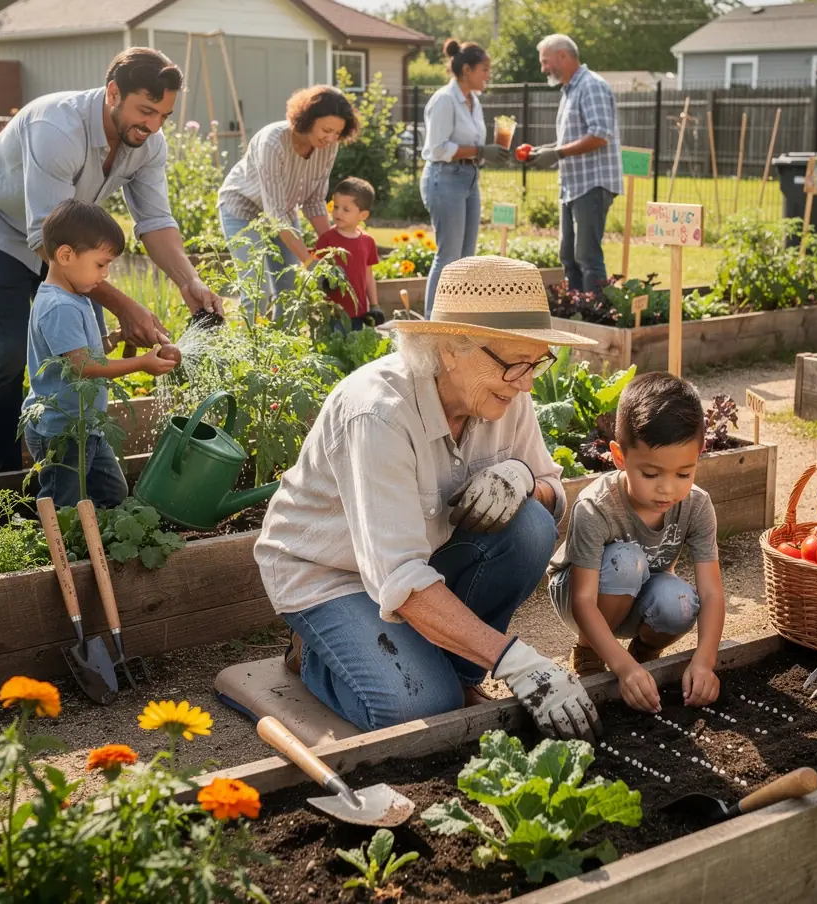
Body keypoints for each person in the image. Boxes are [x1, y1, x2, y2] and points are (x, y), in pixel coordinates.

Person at [255, 255, 602, 740]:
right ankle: (312, 654)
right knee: (418, 705)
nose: (527, 382)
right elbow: (399, 576)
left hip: (422, 563)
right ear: (450, 350)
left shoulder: (505, 394)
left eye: (537, 361)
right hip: (330, 573)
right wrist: (515, 661)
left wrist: (522, 475)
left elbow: (552, 495)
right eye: (513, 363)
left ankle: (455, 674)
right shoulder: (378, 415)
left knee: (531, 528)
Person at [0, 47, 222, 473]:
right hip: (6, 235)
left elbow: (155, 221)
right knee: (6, 354)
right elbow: (45, 239)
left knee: (88, 355)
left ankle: (76, 469)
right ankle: (6, 476)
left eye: (163, 116)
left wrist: (188, 281)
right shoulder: (56, 128)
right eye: (146, 110)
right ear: (113, 92)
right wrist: (124, 304)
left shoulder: (148, 144)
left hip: (69, 249)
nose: (154, 125)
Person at [548, 372, 725, 712]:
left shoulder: (697, 505)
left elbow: (712, 593)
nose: (668, 489)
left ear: (699, 455)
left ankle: (644, 653)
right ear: (619, 456)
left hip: (640, 590)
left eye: (683, 474)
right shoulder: (595, 507)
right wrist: (622, 669)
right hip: (579, 595)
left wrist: (705, 662)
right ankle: (590, 650)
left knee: (683, 602)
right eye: (651, 474)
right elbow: (584, 600)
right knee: (626, 561)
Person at [21, 201, 178, 507]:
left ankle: (94, 545)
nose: (105, 275)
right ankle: (59, 550)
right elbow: (83, 366)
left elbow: (81, 352)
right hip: (63, 431)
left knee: (112, 493)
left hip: (86, 425)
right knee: (62, 503)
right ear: (66, 255)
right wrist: (142, 364)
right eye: (101, 264)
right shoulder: (60, 306)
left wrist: (115, 338)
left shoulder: (74, 296)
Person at [218, 86, 359, 318]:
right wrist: (310, 262)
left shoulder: (328, 147)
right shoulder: (272, 142)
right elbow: (275, 216)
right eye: (326, 130)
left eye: (338, 133)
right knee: (256, 291)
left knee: (289, 291)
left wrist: (333, 247)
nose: (332, 138)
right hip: (242, 210)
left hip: (283, 210)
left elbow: (314, 201)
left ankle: (282, 351)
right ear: (307, 119)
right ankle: (247, 351)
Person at [420, 39, 509, 317]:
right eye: (484, 69)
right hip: (444, 178)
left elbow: (473, 144)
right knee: (448, 256)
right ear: (467, 70)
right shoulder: (445, 100)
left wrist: (490, 151)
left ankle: (457, 318)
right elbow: (437, 149)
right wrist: (482, 150)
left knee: (466, 258)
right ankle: (434, 324)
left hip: (469, 177)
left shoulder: (474, 101)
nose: (488, 75)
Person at [527, 34, 622, 293]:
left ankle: (596, 316)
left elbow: (600, 135)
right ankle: (576, 314)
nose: (543, 68)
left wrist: (557, 154)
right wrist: (544, 151)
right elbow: (572, 138)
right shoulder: (570, 89)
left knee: (587, 257)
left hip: (592, 184)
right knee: (568, 257)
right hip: (572, 186)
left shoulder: (591, 85)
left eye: (546, 61)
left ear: (563, 55)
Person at [315, 177, 383, 331]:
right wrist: (321, 282)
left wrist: (374, 306)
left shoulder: (368, 241)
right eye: (336, 207)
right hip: (332, 311)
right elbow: (315, 270)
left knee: (355, 350)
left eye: (346, 209)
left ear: (363, 215)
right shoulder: (327, 239)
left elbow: (368, 276)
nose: (338, 213)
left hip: (358, 312)